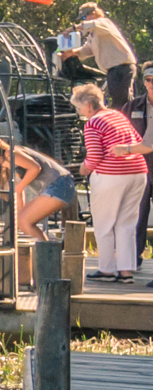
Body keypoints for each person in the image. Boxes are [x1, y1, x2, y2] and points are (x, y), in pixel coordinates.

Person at [74, 84, 145, 282]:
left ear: (88, 105)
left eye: (79, 108)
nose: (80, 113)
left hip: (111, 175)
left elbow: (94, 156)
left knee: (104, 224)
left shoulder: (93, 123)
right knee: (126, 223)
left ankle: (106, 268)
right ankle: (126, 271)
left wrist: (83, 168)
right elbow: (136, 139)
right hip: (138, 171)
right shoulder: (118, 116)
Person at [0, 136, 74, 234]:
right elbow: (18, 194)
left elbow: (35, 168)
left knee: (25, 222)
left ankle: (46, 248)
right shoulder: (6, 163)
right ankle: (45, 246)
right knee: (23, 222)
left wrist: (20, 187)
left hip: (60, 184)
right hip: (59, 186)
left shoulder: (10, 153)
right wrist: (16, 225)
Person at [66, 4, 139, 111]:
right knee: (117, 101)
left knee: (122, 102)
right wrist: (71, 53)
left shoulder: (104, 23)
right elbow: (87, 50)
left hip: (122, 67)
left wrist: (71, 29)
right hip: (113, 71)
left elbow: (91, 24)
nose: (83, 21)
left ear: (93, 14)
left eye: (84, 17)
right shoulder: (94, 34)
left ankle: (129, 124)